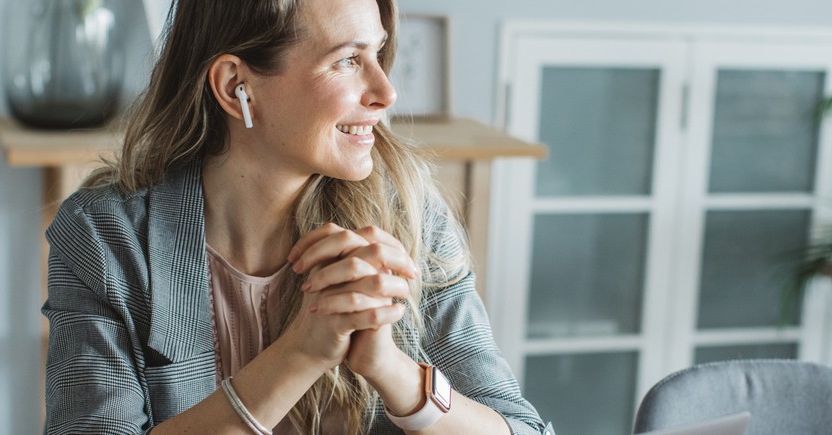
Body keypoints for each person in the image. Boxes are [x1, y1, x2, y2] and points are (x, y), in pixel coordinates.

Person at [42, 0, 552, 433]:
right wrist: (302, 353)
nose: (385, 92)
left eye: (376, 53)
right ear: (235, 85)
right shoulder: (105, 236)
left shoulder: (411, 214)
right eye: (348, 61)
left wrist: (390, 368)